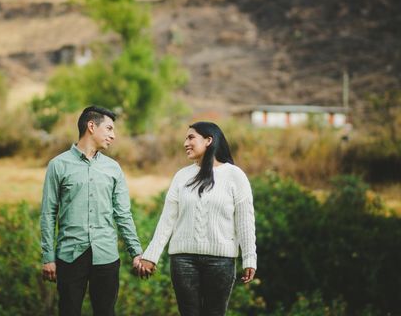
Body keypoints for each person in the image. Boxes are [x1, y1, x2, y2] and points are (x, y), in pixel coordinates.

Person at [138, 121, 257, 316]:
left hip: (221, 261)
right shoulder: (181, 176)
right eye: (186, 138)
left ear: (209, 140)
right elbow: (167, 219)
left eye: (191, 137)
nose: (185, 143)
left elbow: (245, 220)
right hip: (183, 260)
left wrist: (250, 257)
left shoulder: (235, 176)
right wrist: (151, 256)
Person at [40, 105, 143, 316]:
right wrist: (48, 257)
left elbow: (123, 214)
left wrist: (136, 252)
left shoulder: (113, 168)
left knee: (106, 312)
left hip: (106, 255)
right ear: (91, 127)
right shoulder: (58, 165)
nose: (113, 136)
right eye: (109, 129)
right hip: (69, 255)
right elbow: (48, 213)